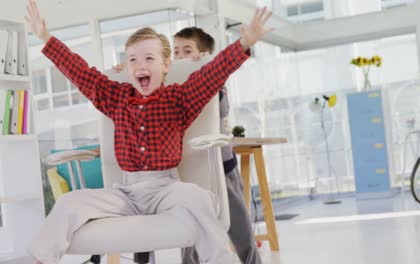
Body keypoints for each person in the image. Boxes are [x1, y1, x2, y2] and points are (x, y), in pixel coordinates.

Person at [24, 0, 273, 263]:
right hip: (125, 192)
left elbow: (213, 74)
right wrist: (45, 37)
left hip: (165, 187)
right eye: (132, 59)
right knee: (68, 203)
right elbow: (80, 72)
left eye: (149, 58)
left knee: (199, 198)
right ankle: (40, 259)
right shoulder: (114, 97)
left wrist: (244, 44)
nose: (139, 65)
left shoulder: (179, 99)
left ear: (166, 65)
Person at [174, 27, 263, 264]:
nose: (180, 57)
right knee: (190, 237)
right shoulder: (170, 84)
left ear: (203, 54)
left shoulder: (211, 78)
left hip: (222, 166)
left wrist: (205, 66)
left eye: (187, 50)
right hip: (188, 170)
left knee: (240, 229)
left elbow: (222, 108)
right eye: (175, 52)